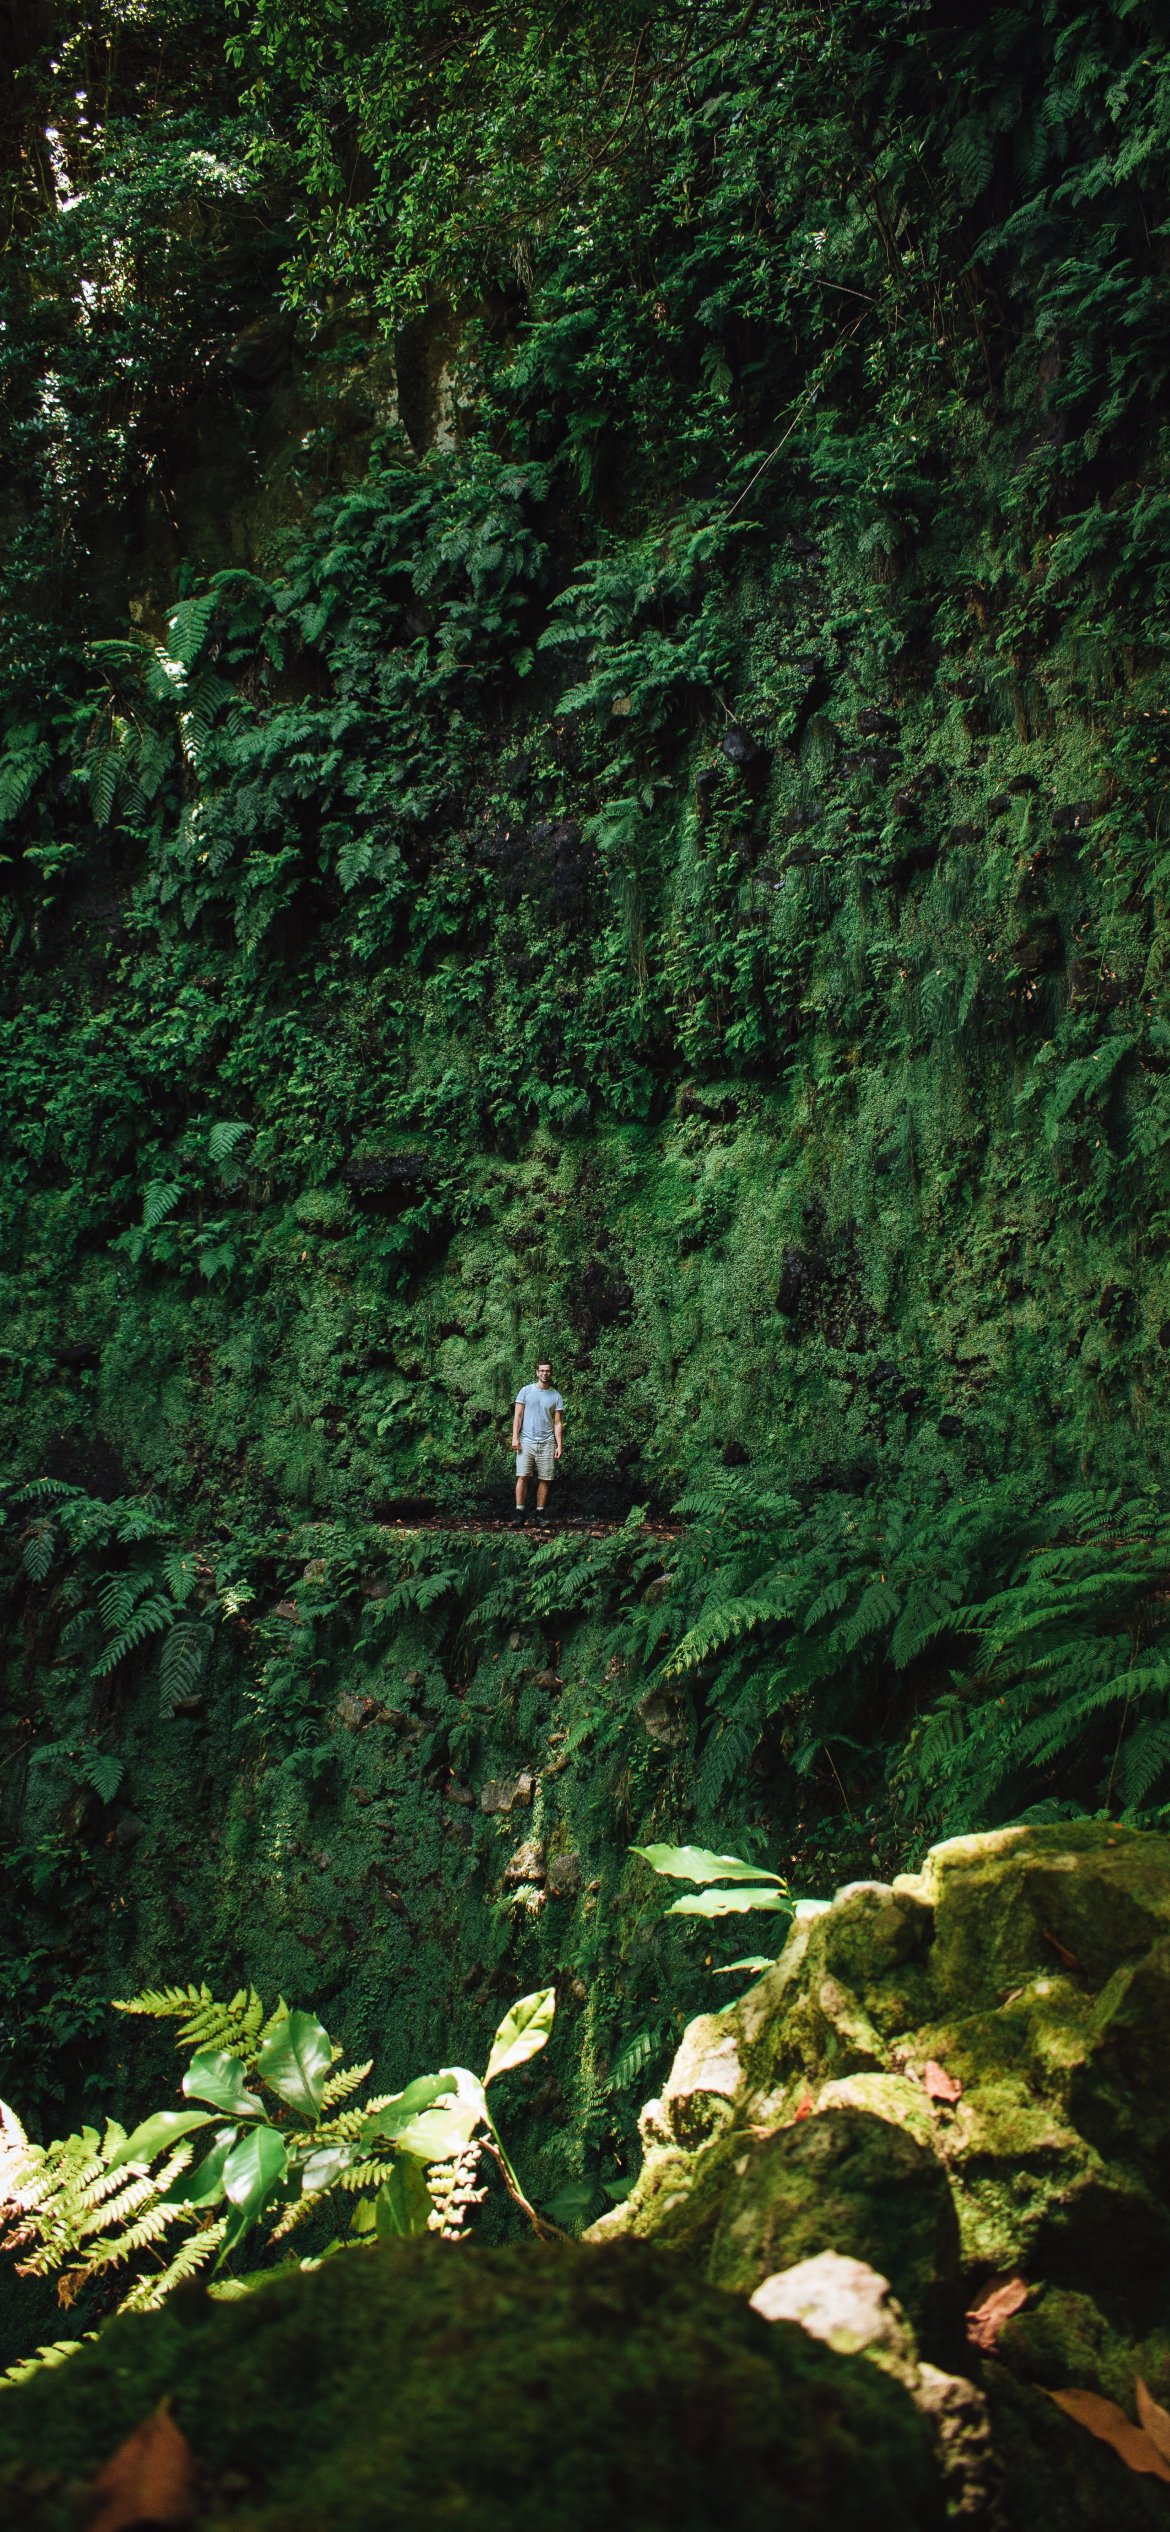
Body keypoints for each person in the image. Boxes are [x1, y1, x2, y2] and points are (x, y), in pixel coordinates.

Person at [511, 1360, 564, 1524]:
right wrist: (515, 1437)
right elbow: (518, 1416)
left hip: (547, 1442)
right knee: (522, 1476)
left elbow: (557, 1423)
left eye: (547, 1371)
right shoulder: (525, 1391)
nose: (544, 1373)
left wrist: (559, 1445)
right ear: (537, 1372)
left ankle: (540, 1513)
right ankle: (519, 1513)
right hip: (526, 1442)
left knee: (545, 1478)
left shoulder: (556, 1396)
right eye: (541, 1370)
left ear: (551, 1373)